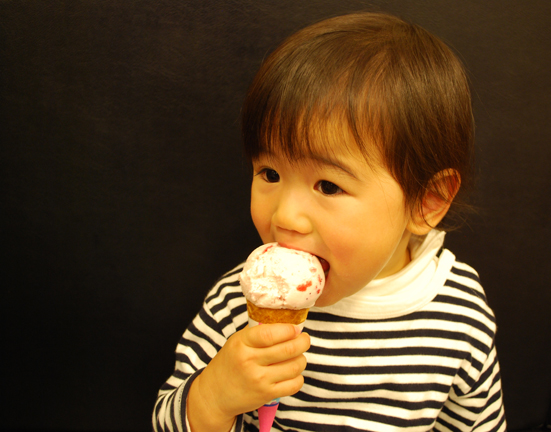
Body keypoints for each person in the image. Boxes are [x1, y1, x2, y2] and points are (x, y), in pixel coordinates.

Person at [154, 11, 505, 432]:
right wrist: (214, 396)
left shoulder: (460, 315)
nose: (285, 216)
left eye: (328, 186)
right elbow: (167, 421)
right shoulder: (238, 299)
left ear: (426, 201)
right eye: (270, 174)